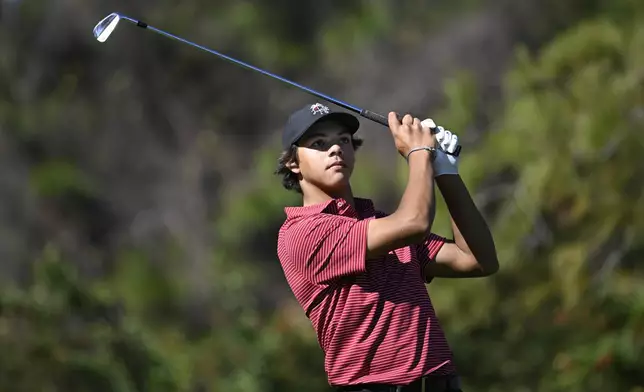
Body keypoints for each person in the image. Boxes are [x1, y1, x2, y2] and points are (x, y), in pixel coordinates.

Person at [274, 102, 499, 392]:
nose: (336, 149)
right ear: (293, 163)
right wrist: (419, 155)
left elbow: (476, 260)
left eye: (343, 140)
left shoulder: (380, 225)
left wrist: (445, 172)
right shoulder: (301, 233)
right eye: (319, 143)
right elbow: (415, 223)